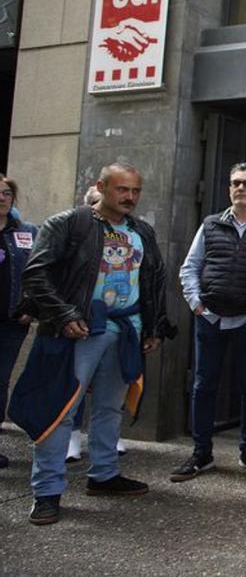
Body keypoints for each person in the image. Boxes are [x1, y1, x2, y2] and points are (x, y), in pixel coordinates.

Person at [16, 162, 172, 526]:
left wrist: (154, 327)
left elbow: (154, 281)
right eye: (122, 190)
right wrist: (65, 315)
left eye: (135, 191)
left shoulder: (142, 231)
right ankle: (47, 491)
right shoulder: (68, 224)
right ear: (101, 186)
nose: (130, 197)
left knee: (109, 406)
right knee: (61, 409)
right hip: (79, 330)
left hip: (127, 329)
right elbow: (36, 273)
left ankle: (104, 475)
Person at [171, 163, 246, 482]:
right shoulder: (211, 224)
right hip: (210, 318)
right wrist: (197, 304)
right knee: (203, 386)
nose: (240, 188)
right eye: (235, 183)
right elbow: (190, 267)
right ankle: (202, 453)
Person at [67, 184, 129, 462]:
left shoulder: (136, 234)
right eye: (96, 202)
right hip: (82, 324)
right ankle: (69, 441)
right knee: (72, 393)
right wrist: (66, 315)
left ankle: (104, 465)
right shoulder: (71, 229)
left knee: (110, 399)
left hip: (121, 325)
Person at [0, 173, 36, 471]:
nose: (2, 197)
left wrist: (31, 308)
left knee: (0, 381)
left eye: (7, 193)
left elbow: (38, 274)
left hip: (12, 322)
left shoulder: (26, 233)